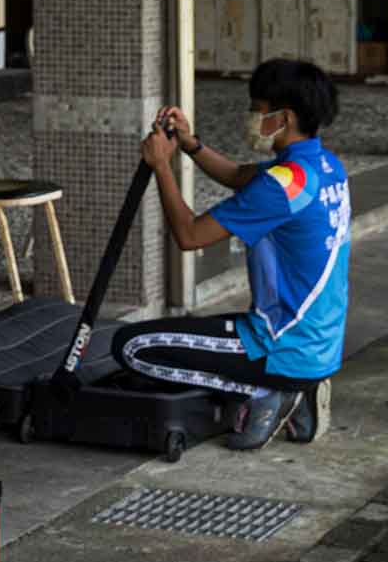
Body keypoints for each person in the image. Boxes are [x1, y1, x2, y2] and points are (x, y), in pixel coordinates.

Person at [113, 58, 350, 452]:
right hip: (317, 345)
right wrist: (190, 146)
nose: (252, 119)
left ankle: (267, 391)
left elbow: (189, 236)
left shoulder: (279, 187)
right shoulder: (324, 167)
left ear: (284, 117)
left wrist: (160, 166)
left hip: (279, 346)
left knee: (131, 346)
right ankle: (297, 391)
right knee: (185, 332)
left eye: (258, 110)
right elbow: (238, 175)